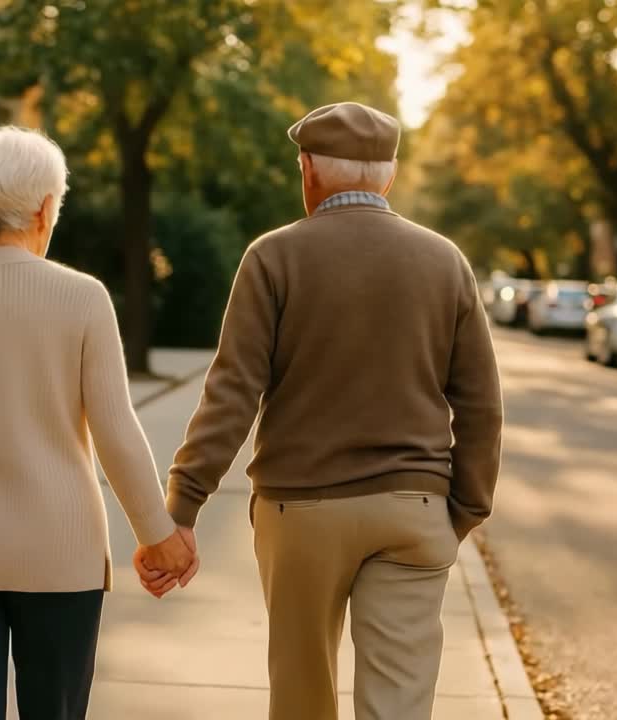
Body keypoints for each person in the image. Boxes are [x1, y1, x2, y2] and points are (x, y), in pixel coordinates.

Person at [160, 102, 504, 720]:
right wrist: (465, 509)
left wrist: (183, 505)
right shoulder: (444, 261)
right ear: (389, 175)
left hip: (302, 512)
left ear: (309, 170)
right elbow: (480, 403)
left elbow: (232, 391)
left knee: (300, 696)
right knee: (399, 703)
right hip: (414, 509)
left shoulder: (273, 257)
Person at [0, 125, 198, 720]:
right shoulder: (83, 297)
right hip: (61, 552)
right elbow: (115, 431)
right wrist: (160, 535)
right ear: (46, 209)